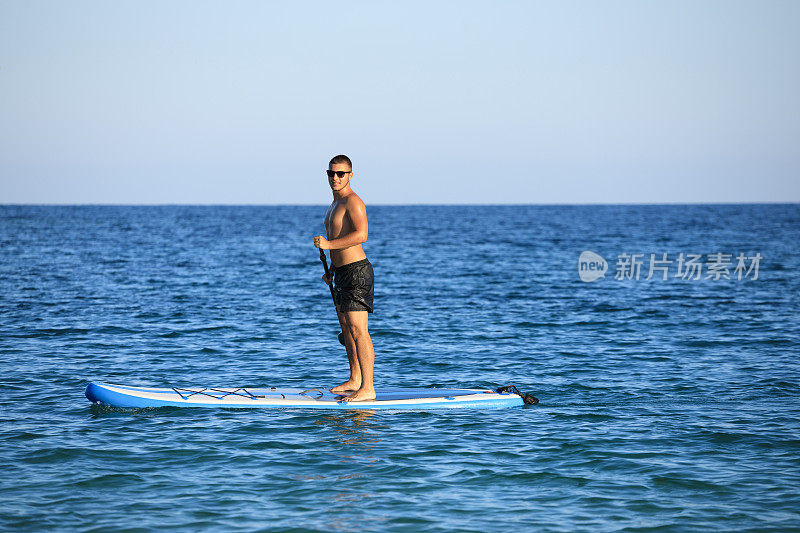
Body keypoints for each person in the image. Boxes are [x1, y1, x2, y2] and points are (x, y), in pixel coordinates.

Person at [314, 154, 376, 402]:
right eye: (331, 173)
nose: (335, 178)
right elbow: (339, 238)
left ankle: (368, 387)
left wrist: (328, 245)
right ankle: (355, 379)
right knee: (347, 329)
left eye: (341, 173)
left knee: (359, 330)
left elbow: (362, 235)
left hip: (357, 272)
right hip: (341, 272)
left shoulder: (353, 202)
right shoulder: (333, 205)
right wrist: (331, 268)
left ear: (351, 175)